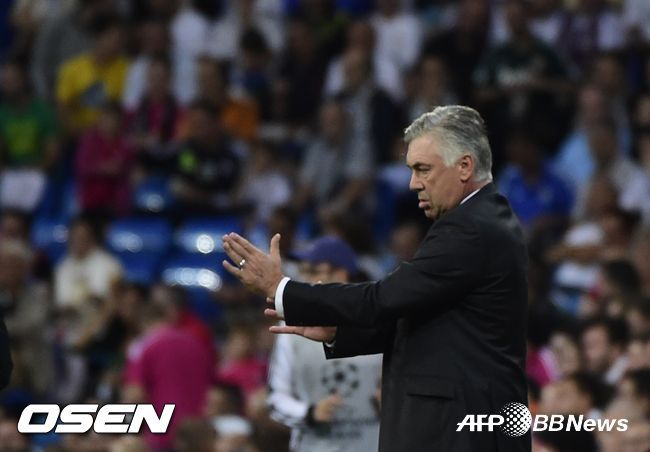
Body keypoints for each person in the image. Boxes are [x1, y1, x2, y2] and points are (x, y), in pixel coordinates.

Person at [221, 105, 531, 451]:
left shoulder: (470, 228)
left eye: (423, 169)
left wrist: (282, 288)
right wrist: (339, 331)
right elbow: (429, 323)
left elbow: (383, 299)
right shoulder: (482, 219)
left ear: (464, 166)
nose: (414, 183)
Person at [267, 236, 381, 452]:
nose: (303, 280)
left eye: (312, 271)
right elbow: (276, 399)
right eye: (302, 272)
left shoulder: (379, 325)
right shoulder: (290, 330)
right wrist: (308, 413)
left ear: (340, 275)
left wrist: (393, 400)